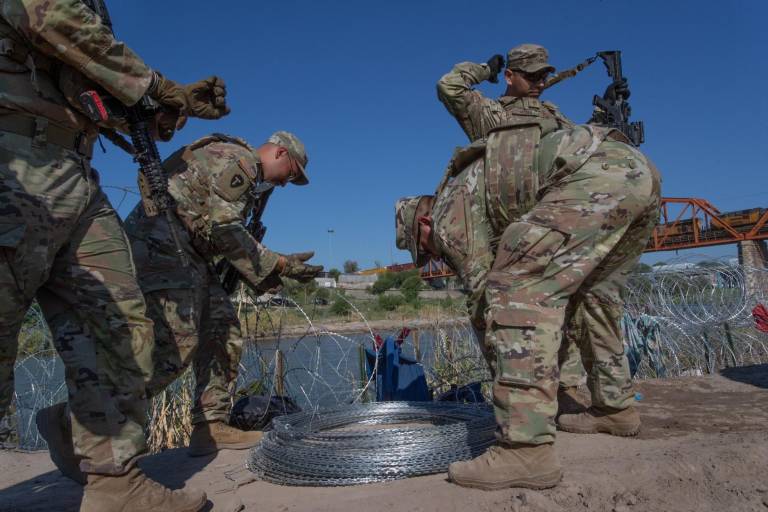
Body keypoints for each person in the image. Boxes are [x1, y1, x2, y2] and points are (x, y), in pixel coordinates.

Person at [0, 1, 228, 510]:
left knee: (123, 326)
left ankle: (113, 479)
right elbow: (51, 17)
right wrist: (154, 85)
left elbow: (97, 91)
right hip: (11, 158)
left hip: (75, 171)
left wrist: (173, 105)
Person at [396, 120, 661, 489]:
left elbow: (484, 301)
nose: (431, 255)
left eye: (423, 248)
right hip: (636, 171)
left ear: (423, 222)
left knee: (516, 288)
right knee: (594, 298)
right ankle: (615, 409)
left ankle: (525, 450)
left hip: (594, 178)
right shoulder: (472, 191)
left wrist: (508, 380)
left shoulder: (446, 212)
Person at [436, 43, 632, 413]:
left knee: (568, 309)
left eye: (544, 75)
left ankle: (567, 393)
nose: (540, 82)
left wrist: (604, 118)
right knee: (494, 312)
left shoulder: (555, 116)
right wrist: (484, 68)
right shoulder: (489, 112)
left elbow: (579, 157)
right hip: (503, 229)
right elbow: (450, 87)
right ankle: (517, 401)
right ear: (510, 76)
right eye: (531, 75)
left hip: (551, 222)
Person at [124, 131, 323, 457]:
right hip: (161, 245)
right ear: (280, 154)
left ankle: (210, 426)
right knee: (174, 345)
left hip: (189, 253)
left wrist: (266, 271)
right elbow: (225, 229)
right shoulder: (240, 162)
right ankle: (90, 414)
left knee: (222, 329)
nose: (286, 183)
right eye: (292, 173)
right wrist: (282, 265)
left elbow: (220, 232)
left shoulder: (248, 178)